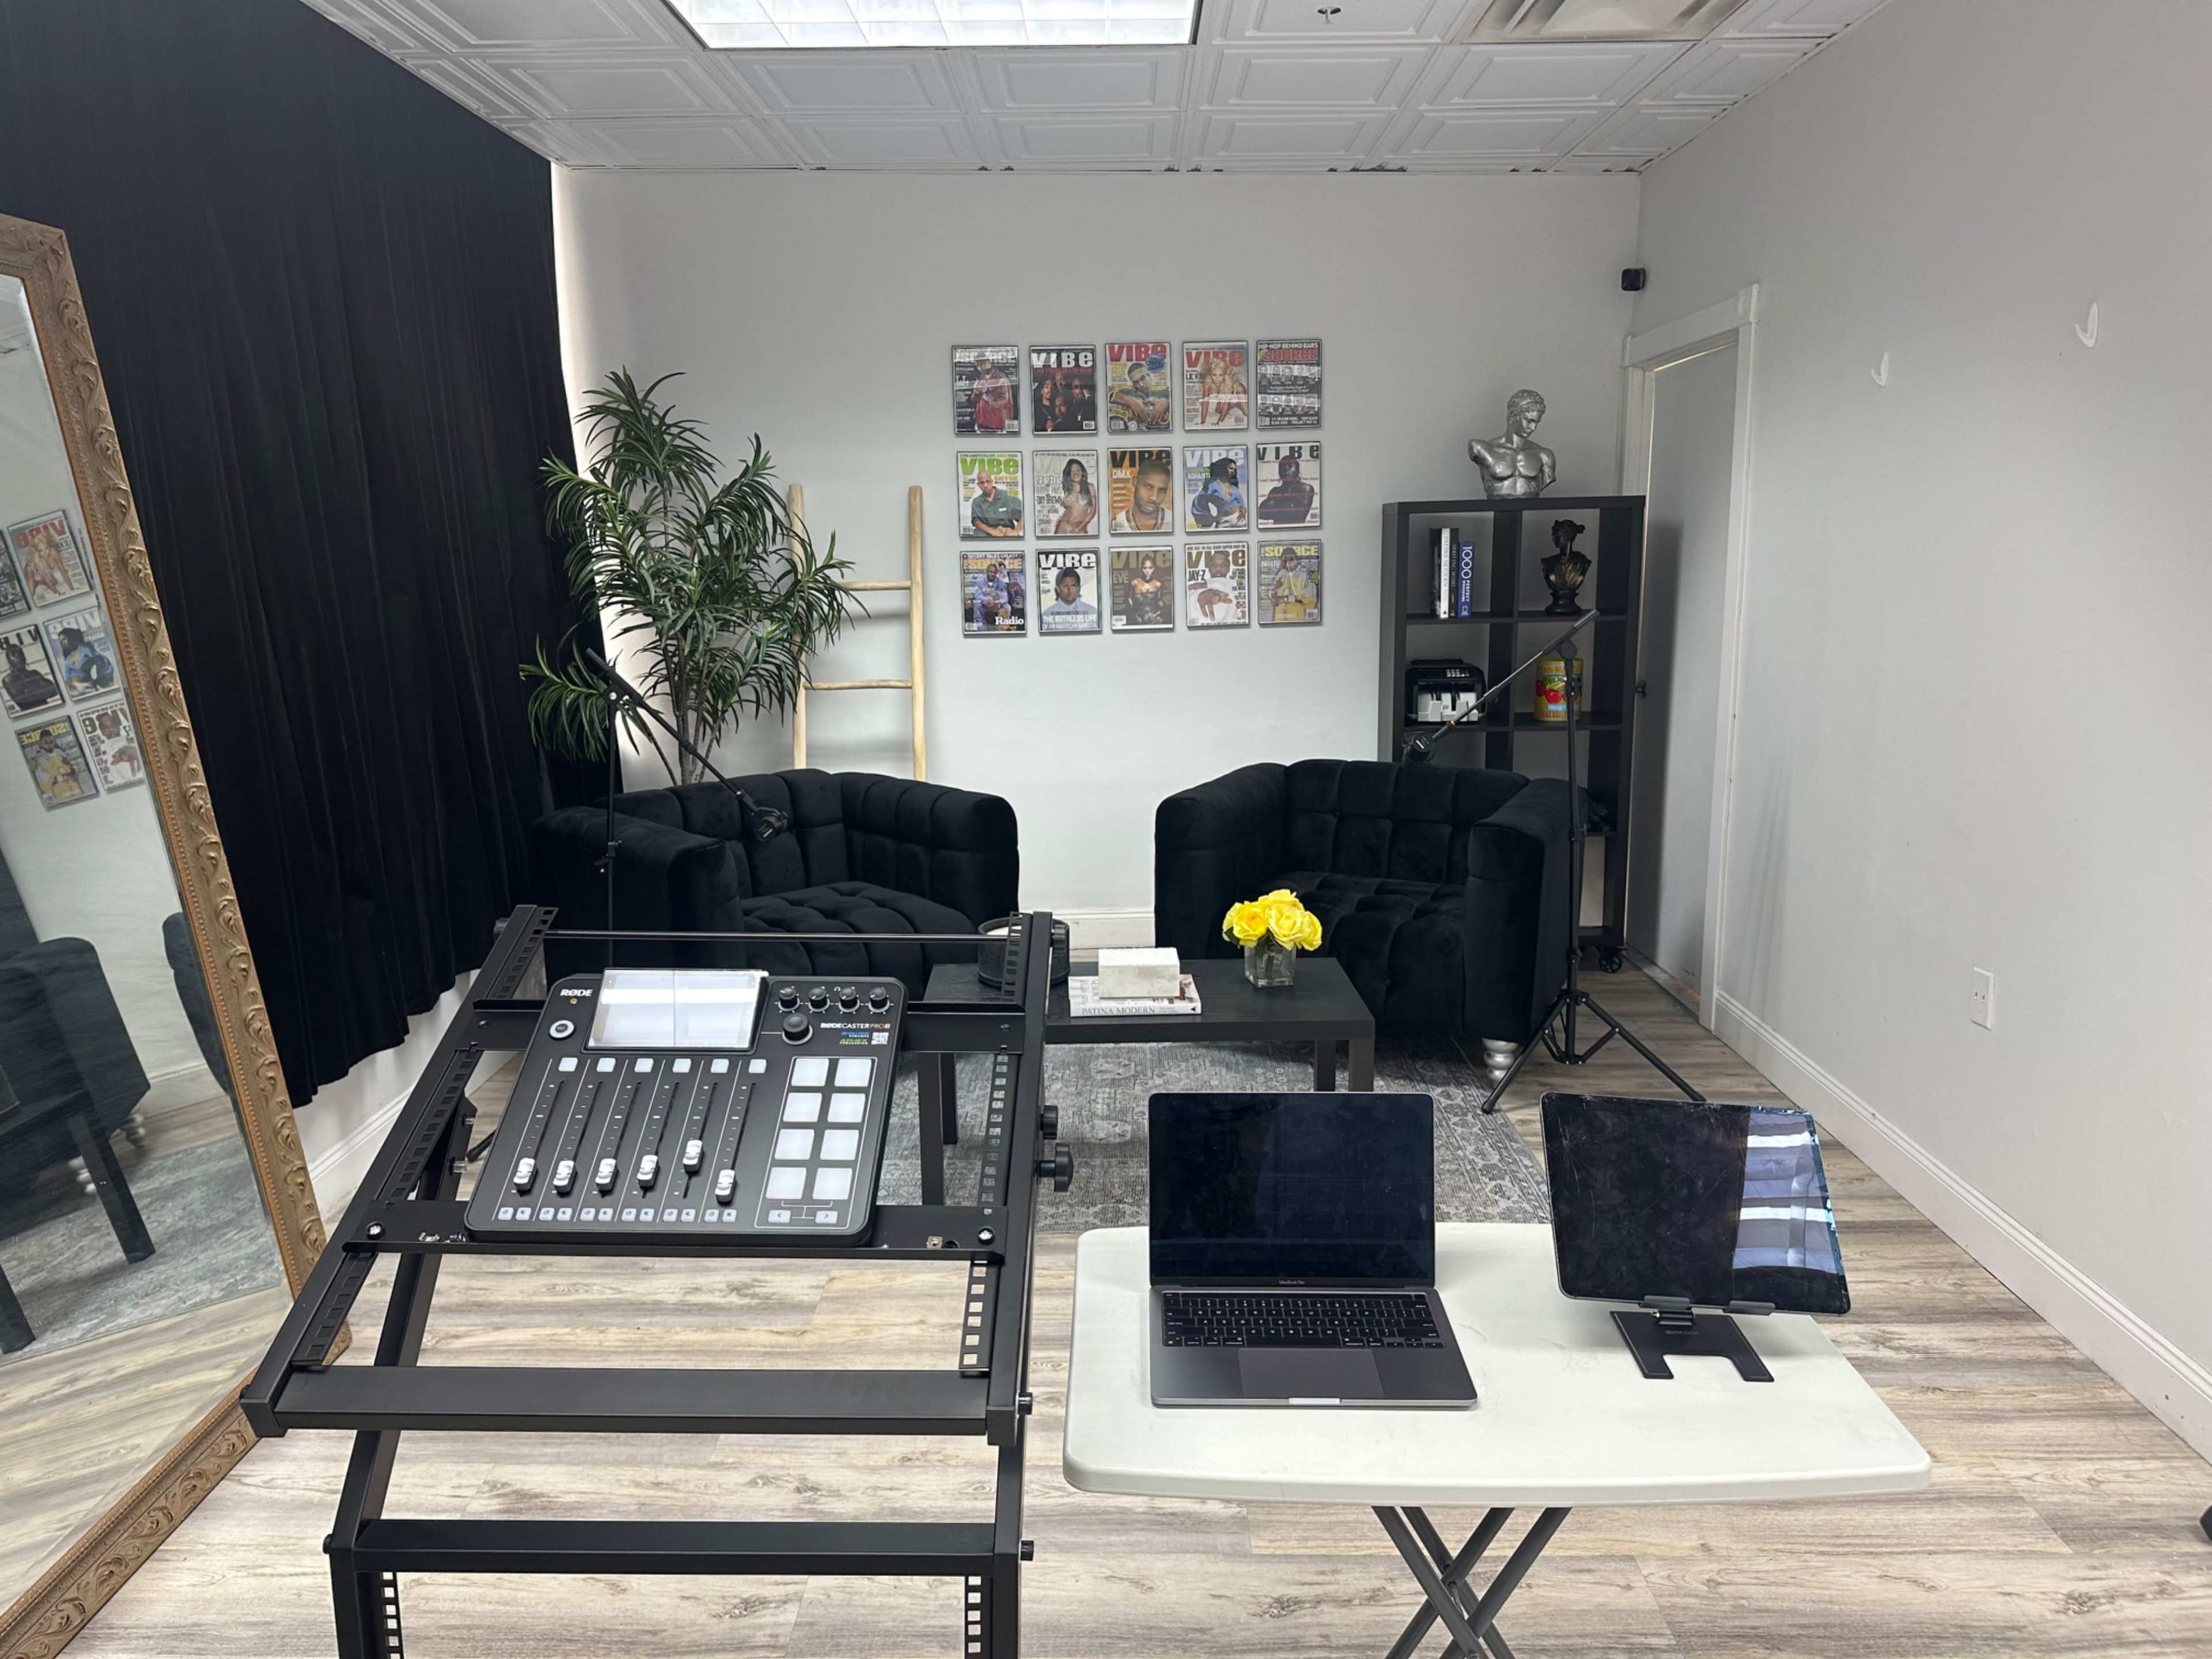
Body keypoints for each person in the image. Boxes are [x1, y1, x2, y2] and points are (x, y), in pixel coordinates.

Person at [1468, 388, 1557, 499]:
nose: (1533, 428)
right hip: (1498, 506)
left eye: (1536, 422)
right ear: (1513, 416)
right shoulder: (1482, 448)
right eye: (1529, 421)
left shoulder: (1544, 455)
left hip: (1526, 509)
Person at [1111, 454, 1173, 533]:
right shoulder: (1116, 523)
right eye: (1149, 487)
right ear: (1135, 482)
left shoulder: (1174, 520)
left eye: (1162, 491)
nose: (1154, 497)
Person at [26, 725, 86, 804]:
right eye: (46, 743)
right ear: (40, 744)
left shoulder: (60, 752)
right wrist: (66, 777)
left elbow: (74, 766)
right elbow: (45, 785)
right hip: (61, 794)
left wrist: (74, 771)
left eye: (51, 742)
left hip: (76, 789)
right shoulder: (40, 760)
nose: (50, 745)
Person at [1110, 353, 1171, 431]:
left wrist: (1168, 403)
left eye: (1143, 378)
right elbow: (1104, 390)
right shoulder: (1127, 391)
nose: (1141, 385)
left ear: (1149, 376)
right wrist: (1130, 401)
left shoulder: (1164, 390)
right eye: (1136, 382)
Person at [53, 624, 116, 698]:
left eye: (64, 639)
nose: (63, 643)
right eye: (61, 642)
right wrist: (69, 684)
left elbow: (103, 662)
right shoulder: (68, 659)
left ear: (71, 638)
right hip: (74, 693)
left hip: (89, 689)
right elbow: (67, 676)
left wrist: (100, 681)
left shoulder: (86, 650)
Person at [1256, 452, 1316, 526]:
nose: (1286, 469)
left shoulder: (1305, 489)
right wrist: (1288, 507)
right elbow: (1261, 513)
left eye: (1290, 466)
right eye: (1283, 467)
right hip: (1277, 533)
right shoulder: (1275, 491)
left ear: (1297, 470)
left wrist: (1275, 505)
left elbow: (1298, 516)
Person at [2, 638, 59, 714]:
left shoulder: (34, 673)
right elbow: (23, 701)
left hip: (47, 711)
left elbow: (55, 691)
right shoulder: (8, 679)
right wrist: (40, 688)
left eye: (20, 653)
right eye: (13, 654)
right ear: (9, 660)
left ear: (24, 656)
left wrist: (30, 691)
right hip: (31, 715)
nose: (18, 657)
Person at [1188, 454, 1244, 530]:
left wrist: (1244, 510)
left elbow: (1241, 504)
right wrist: (1209, 519)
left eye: (1234, 470)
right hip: (1223, 521)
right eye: (1231, 468)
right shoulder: (1213, 485)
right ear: (1223, 468)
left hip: (1239, 519)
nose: (1233, 472)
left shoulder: (1235, 488)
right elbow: (1199, 501)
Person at [1190, 546, 1241, 625]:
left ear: (1228, 569)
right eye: (1214, 565)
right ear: (1209, 568)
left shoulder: (1237, 587)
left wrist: (1209, 584)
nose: (1218, 568)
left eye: (1223, 565)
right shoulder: (1196, 589)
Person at [967, 467, 1022, 538]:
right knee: (976, 535)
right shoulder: (977, 502)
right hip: (987, 532)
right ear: (978, 485)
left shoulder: (1006, 496)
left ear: (992, 482)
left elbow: (1023, 516)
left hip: (1006, 532)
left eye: (988, 481)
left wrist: (1016, 531)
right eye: (982, 483)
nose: (986, 485)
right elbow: (976, 521)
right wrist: (992, 531)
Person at [1040, 566, 1098, 632]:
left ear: (1079, 588)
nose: (1070, 590)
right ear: (1058, 589)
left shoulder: (1093, 612)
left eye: (1074, 586)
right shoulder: (1047, 615)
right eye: (1065, 587)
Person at [1268, 549, 1318, 623]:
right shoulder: (1281, 574)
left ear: (1297, 560)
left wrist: (1288, 599)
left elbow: (1311, 596)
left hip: (1298, 620)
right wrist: (1273, 591)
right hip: (1280, 620)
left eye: (1291, 560)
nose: (1288, 563)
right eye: (1285, 561)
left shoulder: (1305, 574)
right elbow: (1272, 595)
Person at [1051, 456, 1097, 536]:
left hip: (1080, 527)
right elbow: (1067, 506)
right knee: (1054, 547)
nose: (1076, 473)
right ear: (1069, 474)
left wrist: (1078, 529)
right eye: (1072, 471)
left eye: (1078, 470)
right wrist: (1064, 503)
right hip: (1064, 525)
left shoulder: (1090, 487)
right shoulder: (1069, 489)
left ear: (1083, 472)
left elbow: (1093, 511)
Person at [1199, 350, 1247, 426]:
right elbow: (1205, 402)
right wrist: (1203, 422)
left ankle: (1238, 404)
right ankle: (1236, 404)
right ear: (1210, 374)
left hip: (1238, 390)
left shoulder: (1228, 383)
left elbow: (1226, 404)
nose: (1217, 379)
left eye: (1221, 375)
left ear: (1224, 375)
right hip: (1226, 394)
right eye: (1214, 375)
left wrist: (1218, 423)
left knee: (1246, 412)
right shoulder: (1207, 382)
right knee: (1218, 411)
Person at [1126, 551, 1169, 627]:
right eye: (1145, 568)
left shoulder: (1158, 585)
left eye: (1150, 568)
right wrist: (1134, 615)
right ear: (1141, 569)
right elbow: (1129, 599)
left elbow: (1161, 602)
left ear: (1154, 569)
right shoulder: (1134, 583)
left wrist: (1162, 616)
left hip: (1154, 621)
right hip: (1138, 622)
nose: (1148, 571)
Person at [971, 357, 1014, 434]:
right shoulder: (981, 378)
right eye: (977, 365)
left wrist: (987, 394)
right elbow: (974, 400)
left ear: (989, 363)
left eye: (981, 364)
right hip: (981, 424)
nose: (979, 367)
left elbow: (1005, 400)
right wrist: (976, 392)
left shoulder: (1001, 378)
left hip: (997, 425)